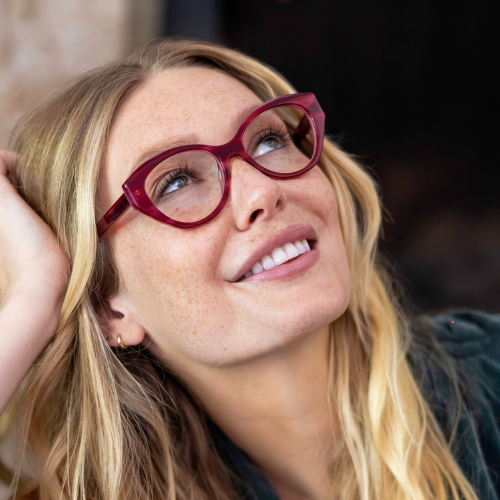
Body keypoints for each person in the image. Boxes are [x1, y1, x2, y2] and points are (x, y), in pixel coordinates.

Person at [0, 38, 498, 500]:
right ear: (108, 309)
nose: (263, 189)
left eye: (268, 141)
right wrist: (37, 292)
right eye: (174, 182)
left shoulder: (487, 381)